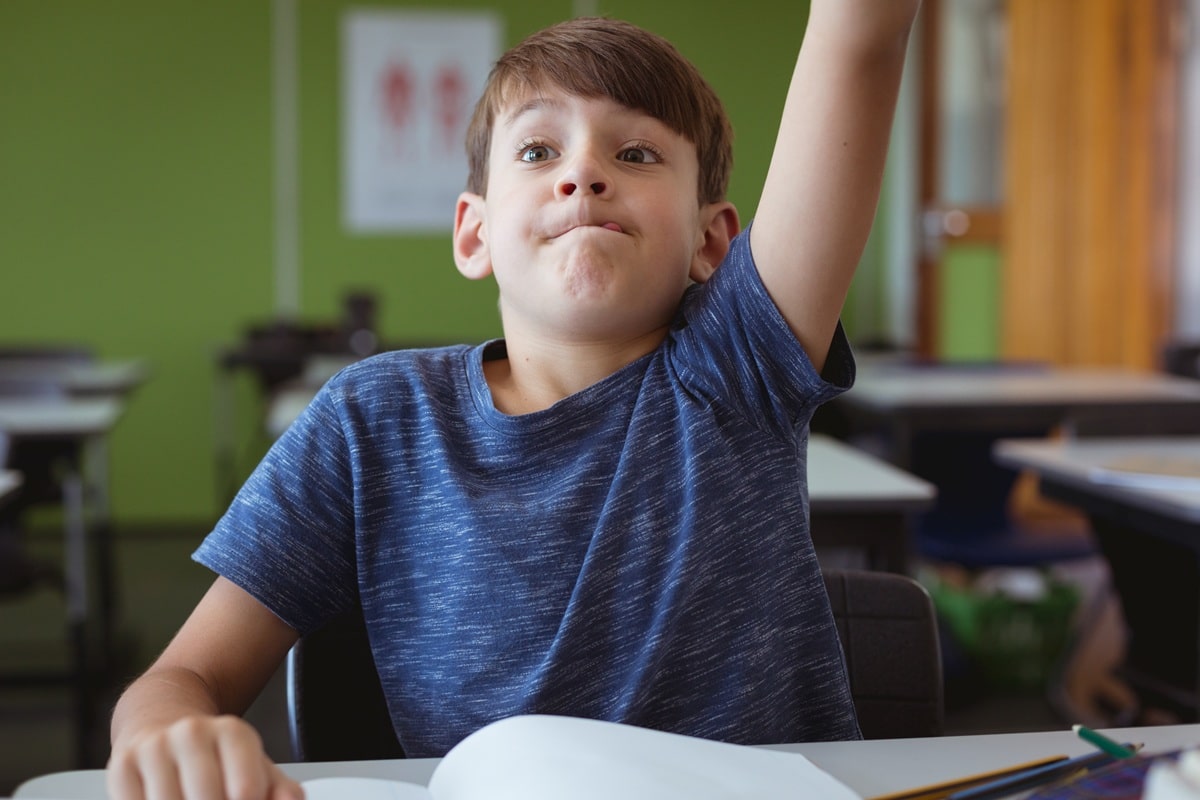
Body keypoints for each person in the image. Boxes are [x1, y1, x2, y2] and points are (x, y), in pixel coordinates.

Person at [107, 4, 919, 799]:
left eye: (635, 154)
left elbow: (859, 41)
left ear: (711, 241)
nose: (583, 172)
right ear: (475, 233)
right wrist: (166, 734)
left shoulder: (740, 365)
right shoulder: (374, 419)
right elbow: (183, 675)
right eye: (537, 150)